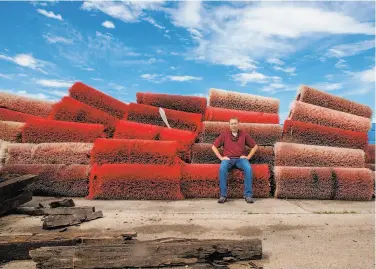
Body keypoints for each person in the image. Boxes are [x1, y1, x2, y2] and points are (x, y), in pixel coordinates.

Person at [211, 117, 258, 204]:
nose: (234, 125)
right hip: (228, 159)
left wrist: (248, 157)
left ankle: (248, 195)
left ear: (238, 124)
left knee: (248, 168)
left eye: (235, 123)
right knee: (222, 168)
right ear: (229, 125)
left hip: (240, 159)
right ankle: (223, 195)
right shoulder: (224, 135)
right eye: (232, 124)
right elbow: (213, 147)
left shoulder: (244, 135)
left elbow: (255, 146)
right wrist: (221, 158)